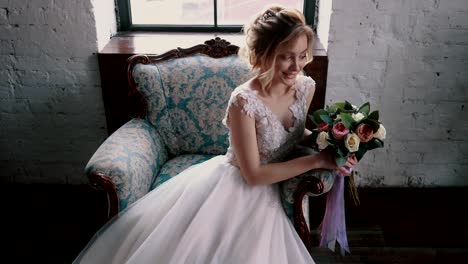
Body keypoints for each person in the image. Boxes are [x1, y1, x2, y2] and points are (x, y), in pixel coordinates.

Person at [73, 5, 357, 264]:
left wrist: (331, 142)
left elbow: (293, 133)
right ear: (264, 55)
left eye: (302, 55)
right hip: (241, 185)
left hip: (274, 179)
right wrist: (318, 161)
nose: (296, 66)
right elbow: (254, 175)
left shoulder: (305, 87)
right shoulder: (244, 100)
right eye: (286, 57)